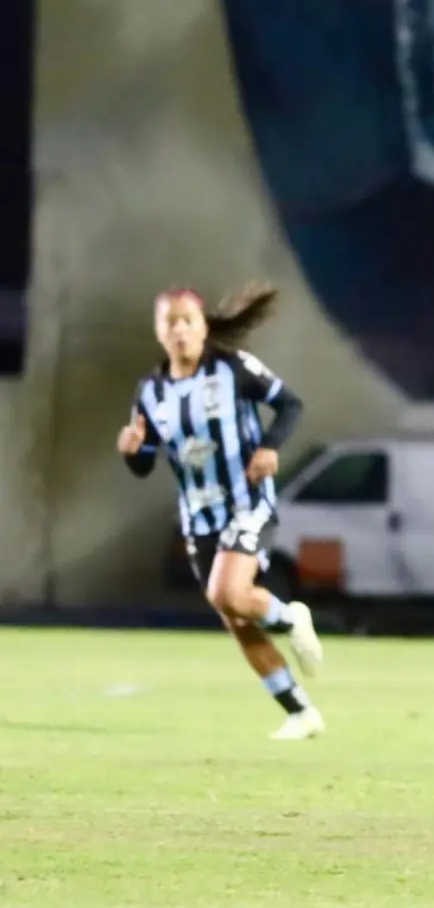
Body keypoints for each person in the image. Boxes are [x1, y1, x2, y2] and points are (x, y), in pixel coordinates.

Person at [119, 284, 325, 740]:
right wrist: (132, 450)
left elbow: (289, 403)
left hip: (247, 502)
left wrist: (270, 448)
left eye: (187, 321)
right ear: (158, 331)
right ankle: (300, 712)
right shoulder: (151, 393)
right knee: (235, 616)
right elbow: (142, 463)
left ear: (203, 327)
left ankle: (292, 618)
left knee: (227, 593)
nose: (179, 331)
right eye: (169, 322)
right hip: (199, 518)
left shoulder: (233, 370)